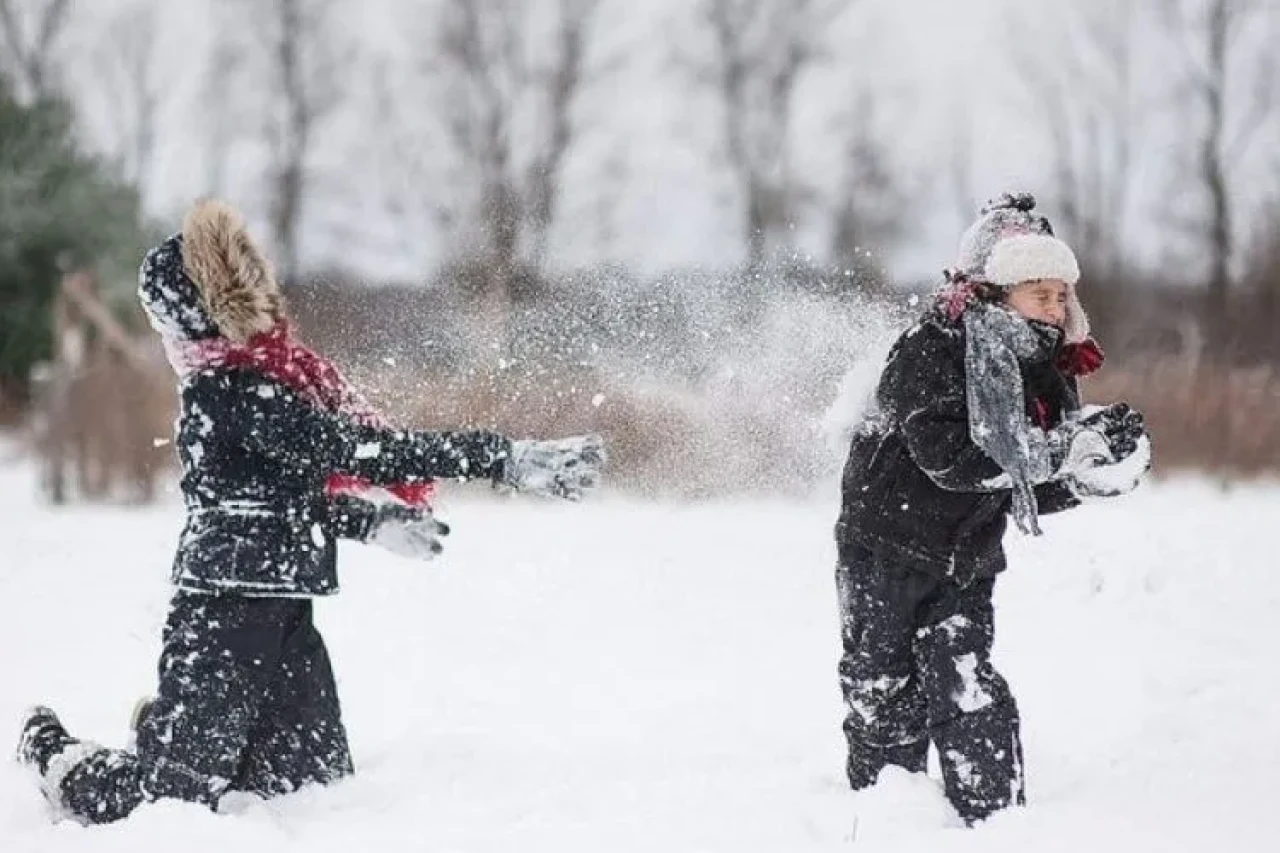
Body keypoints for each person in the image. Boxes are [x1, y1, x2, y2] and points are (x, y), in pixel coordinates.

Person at [15, 199, 605, 824]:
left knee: (310, 782)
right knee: (174, 800)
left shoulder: (270, 379)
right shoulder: (230, 394)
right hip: (222, 611)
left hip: (285, 612)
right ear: (211, 308)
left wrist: (369, 523)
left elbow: (285, 497)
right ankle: (57, 758)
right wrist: (503, 460)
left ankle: (171, 723)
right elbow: (355, 449)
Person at [833, 192, 1150, 824]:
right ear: (996, 291)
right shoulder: (932, 349)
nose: (1056, 309)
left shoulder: (1045, 369)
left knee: (966, 684)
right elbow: (953, 460)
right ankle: (884, 820)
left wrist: (1090, 472)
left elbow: (1027, 478)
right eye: (1041, 295)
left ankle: (996, 820)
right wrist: (1067, 449)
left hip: (967, 556)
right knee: (882, 687)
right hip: (885, 548)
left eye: (1062, 296)